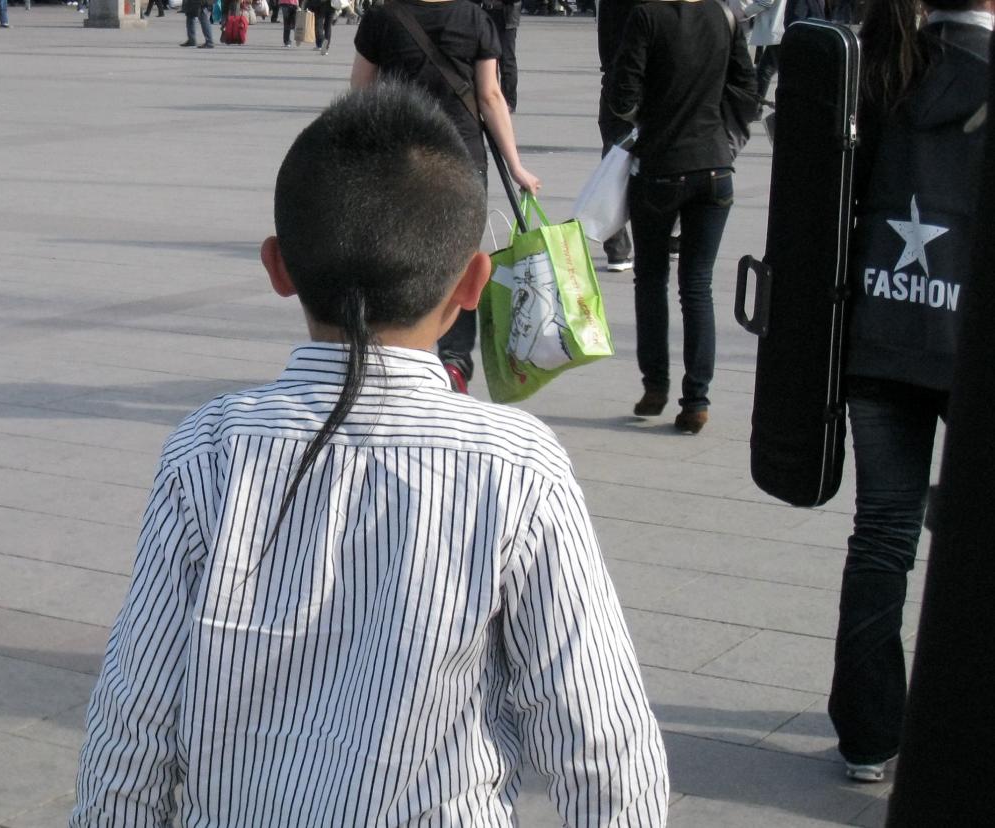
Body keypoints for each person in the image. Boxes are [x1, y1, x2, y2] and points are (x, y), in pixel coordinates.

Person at [70, 81, 668, 828]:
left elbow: (134, 722)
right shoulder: (517, 467)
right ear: (473, 284)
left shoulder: (209, 450)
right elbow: (602, 745)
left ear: (278, 267)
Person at [829, 0, 991, 785]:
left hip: (880, 329)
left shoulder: (877, 66)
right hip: (968, 342)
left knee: (882, 533)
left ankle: (867, 734)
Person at [350, 0, 540, 393]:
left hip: (400, 158)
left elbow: (361, 91)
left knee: (399, 259)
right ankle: (454, 363)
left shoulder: (383, 17)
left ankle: (396, 357)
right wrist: (516, 164)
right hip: (463, 159)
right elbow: (490, 97)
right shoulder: (475, 19)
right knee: (459, 262)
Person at [608, 0, 756, 434]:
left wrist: (645, 118)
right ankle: (697, 399)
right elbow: (747, 86)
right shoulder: (724, 15)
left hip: (660, 167)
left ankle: (655, 383)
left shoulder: (646, 16)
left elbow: (622, 97)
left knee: (651, 278)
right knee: (697, 285)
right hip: (714, 165)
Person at [595, 0, 637, 271]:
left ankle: (616, 246)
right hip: (653, 82)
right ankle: (672, 235)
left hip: (616, 83)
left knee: (614, 160)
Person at [476, 0, 521, 113]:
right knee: (488, 59)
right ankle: (491, 98)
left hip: (506, 15)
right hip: (486, 12)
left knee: (507, 60)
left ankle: (508, 101)